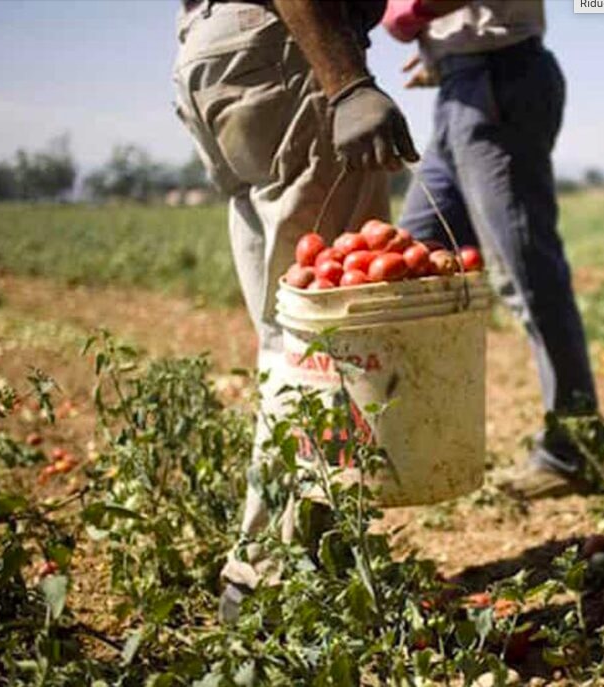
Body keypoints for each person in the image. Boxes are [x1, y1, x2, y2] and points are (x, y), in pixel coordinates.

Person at [171, 0, 419, 621]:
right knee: (327, 338)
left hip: (218, 53)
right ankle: (272, 581)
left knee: (290, 335)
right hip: (289, 49)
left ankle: (297, 564)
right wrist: (348, 82)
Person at [382, 0, 599, 500]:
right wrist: (442, 47)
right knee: (411, 259)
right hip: (463, 84)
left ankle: (574, 450)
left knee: (527, 274)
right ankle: (417, 439)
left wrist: (410, 13)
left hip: (500, 80)